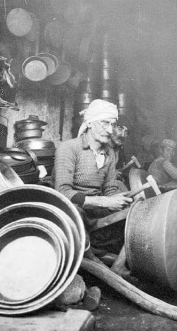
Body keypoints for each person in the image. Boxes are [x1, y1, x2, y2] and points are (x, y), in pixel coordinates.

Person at [53, 99, 133, 260]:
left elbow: (110, 189)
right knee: (75, 214)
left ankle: (113, 261)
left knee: (135, 217)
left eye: (112, 124)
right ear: (89, 123)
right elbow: (62, 192)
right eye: (104, 123)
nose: (110, 130)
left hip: (95, 212)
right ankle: (95, 257)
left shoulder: (110, 153)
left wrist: (119, 200)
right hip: (73, 211)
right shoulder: (69, 148)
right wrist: (105, 202)